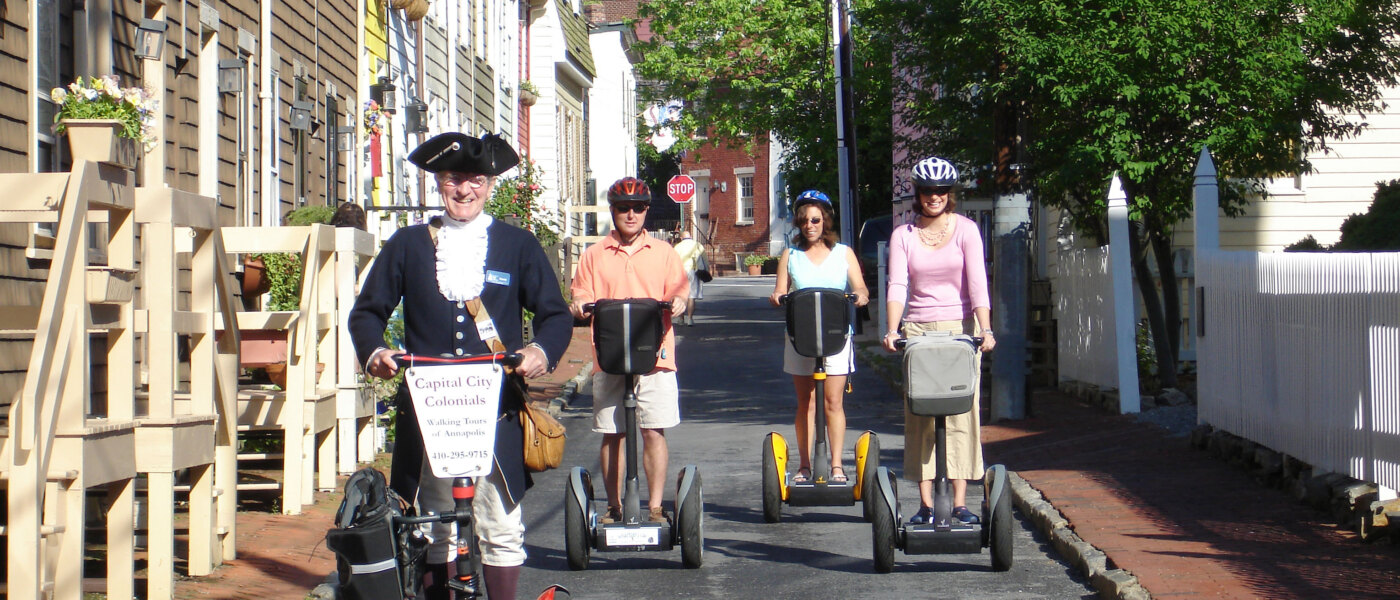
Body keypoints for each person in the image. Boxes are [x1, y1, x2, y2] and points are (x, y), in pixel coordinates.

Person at [348, 132, 573, 600]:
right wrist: (376, 353)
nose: (464, 190)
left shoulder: (517, 245)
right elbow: (367, 312)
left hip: (494, 409)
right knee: (432, 522)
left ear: (490, 186)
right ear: (439, 183)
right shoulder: (408, 245)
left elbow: (553, 314)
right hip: (429, 411)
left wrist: (540, 352)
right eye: (453, 179)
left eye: (475, 180)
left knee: (499, 522)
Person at [880, 156, 996, 526]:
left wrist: (985, 328)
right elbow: (898, 283)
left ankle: (960, 502)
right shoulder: (903, 235)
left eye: (942, 191)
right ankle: (926, 504)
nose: (935, 197)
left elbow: (978, 281)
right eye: (928, 190)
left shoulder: (965, 230)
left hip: (960, 330)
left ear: (951, 194)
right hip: (917, 330)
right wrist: (892, 328)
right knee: (921, 418)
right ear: (918, 193)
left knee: (963, 413)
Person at [569, 177, 690, 524]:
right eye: (624, 208)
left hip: (655, 355)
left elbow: (679, 290)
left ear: (646, 211)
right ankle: (613, 506)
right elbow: (581, 293)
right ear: (613, 211)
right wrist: (579, 304)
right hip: (609, 355)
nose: (631, 214)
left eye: (638, 208)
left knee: (653, 430)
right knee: (613, 434)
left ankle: (654, 506)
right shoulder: (593, 255)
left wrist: (679, 301)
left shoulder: (665, 253)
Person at [768, 190, 869, 484]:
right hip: (800, 336)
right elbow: (779, 290)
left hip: (836, 336)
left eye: (815, 219)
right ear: (798, 224)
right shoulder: (791, 255)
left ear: (825, 220)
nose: (810, 225)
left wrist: (860, 297)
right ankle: (804, 466)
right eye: (804, 220)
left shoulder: (844, 253)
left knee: (833, 402)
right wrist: (776, 297)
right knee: (806, 402)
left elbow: (861, 287)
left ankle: (837, 466)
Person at [672, 229, 704, 325]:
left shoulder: (677, 246)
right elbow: (702, 259)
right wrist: (705, 271)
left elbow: (673, 260)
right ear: (690, 237)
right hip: (692, 271)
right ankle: (690, 319)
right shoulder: (696, 245)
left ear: (681, 238)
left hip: (680, 272)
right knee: (691, 296)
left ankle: (681, 319)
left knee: (680, 296)